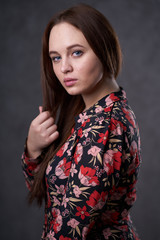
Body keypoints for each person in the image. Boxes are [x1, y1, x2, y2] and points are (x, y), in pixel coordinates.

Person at [21, 4, 141, 240]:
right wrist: (33, 150)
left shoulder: (105, 125)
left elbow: (69, 231)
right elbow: (54, 198)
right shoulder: (86, 113)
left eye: (76, 52)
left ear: (103, 48)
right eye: (56, 57)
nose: (64, 67)